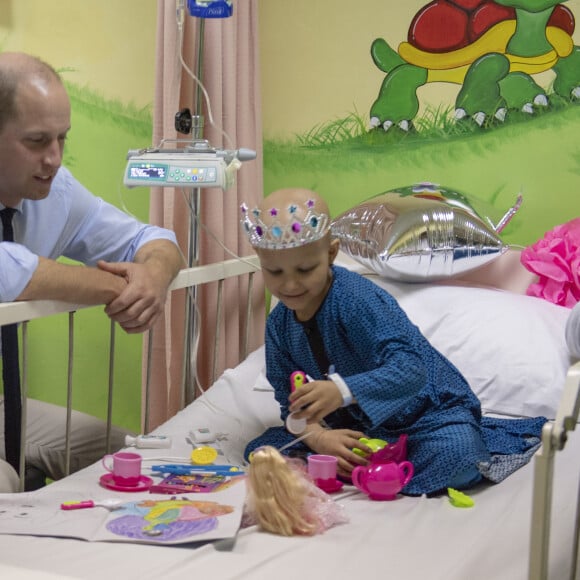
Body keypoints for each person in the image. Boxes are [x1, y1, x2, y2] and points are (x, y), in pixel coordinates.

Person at [240, 187, 546, 496]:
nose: (290, 284)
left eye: (305, 269)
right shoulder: (280, 324)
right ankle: (367, 461)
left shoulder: (357, 300)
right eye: (274, 271)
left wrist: (342, 391)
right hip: (354, 429)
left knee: (460, 456)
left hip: (424, 419)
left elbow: (411, 370)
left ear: (331, 254)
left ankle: (379, 466)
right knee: (261, 453)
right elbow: (289, 402)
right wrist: (319, 438)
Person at [0, 52, 184, 492]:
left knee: (129, 453)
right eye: (37, 141)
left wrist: (152, 279)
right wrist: (114, 286)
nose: (55, 158)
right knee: (4, 479)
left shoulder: (53, 192)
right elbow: (11, 271)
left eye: (63, 138)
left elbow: (155, 240)